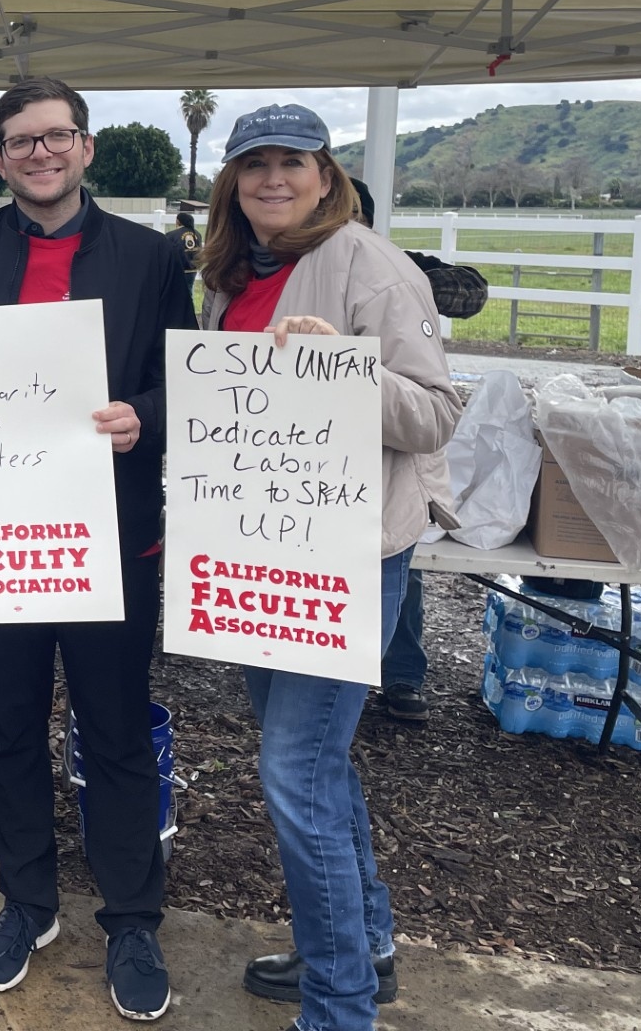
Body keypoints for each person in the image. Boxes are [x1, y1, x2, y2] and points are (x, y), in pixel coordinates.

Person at [0, 76, 193, 1023]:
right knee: (8, 724)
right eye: (20, 141)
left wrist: (143, 416)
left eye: (56, 136)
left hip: (111, 535)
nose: (40, 153)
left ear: (86, 147)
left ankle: (132, 918)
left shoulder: (151, 258)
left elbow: (186, 379)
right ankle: (27, 902)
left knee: (115, 729)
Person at [201, 106, 460, 1031]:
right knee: (316, 767)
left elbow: (436, 412)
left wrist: (343, 370)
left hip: (344, 558)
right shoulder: (234, 273)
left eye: (292, 162)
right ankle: (363, 948)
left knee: (295, 774)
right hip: (260, 546)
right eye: (255, 164)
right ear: (233, 181)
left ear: (325, 175)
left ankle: (340, 1006)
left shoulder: (373, 266)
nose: (273, 179)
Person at [349, 177, 484, 725]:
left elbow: (471, 292)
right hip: (315, 453)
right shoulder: (290, 270)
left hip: (393, 448)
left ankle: (402, 674)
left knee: (395, 558)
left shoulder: (391, 267)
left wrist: (401, 281)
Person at [172, 211, 202, 298]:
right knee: (189, 290)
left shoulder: (172, 235)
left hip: (179, 268)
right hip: (192, 269)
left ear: (178, 221)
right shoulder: (197, 234)